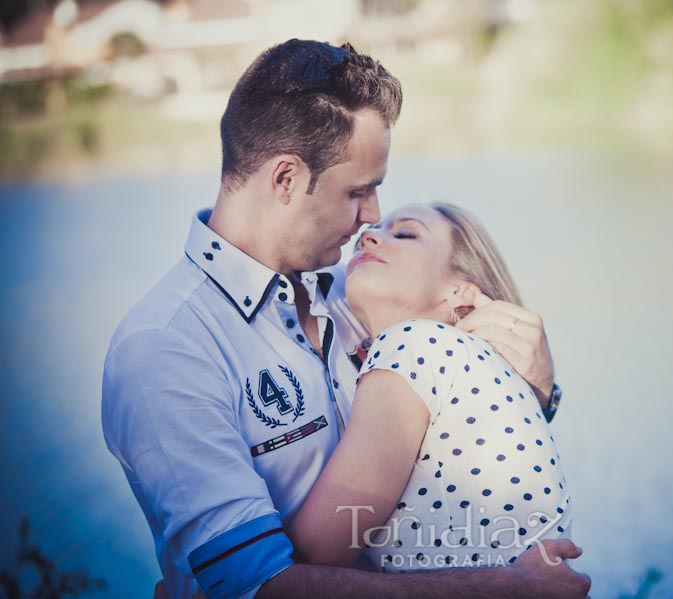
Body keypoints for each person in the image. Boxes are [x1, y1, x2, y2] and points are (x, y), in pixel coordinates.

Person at [101, 39, 588, 599]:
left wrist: (536, 391)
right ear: (285, 180)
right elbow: (257, 587)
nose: (373, 218)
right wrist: (502, 588)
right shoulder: (166, 349)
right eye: (360, 191)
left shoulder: (359, 302)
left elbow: (454, 438)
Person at [290, 203, 572, 572]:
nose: (367, 235)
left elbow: (317, 551)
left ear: (462, 293)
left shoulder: (413, 346)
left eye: (406, 233)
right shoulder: (465, 369)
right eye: (372, 233)